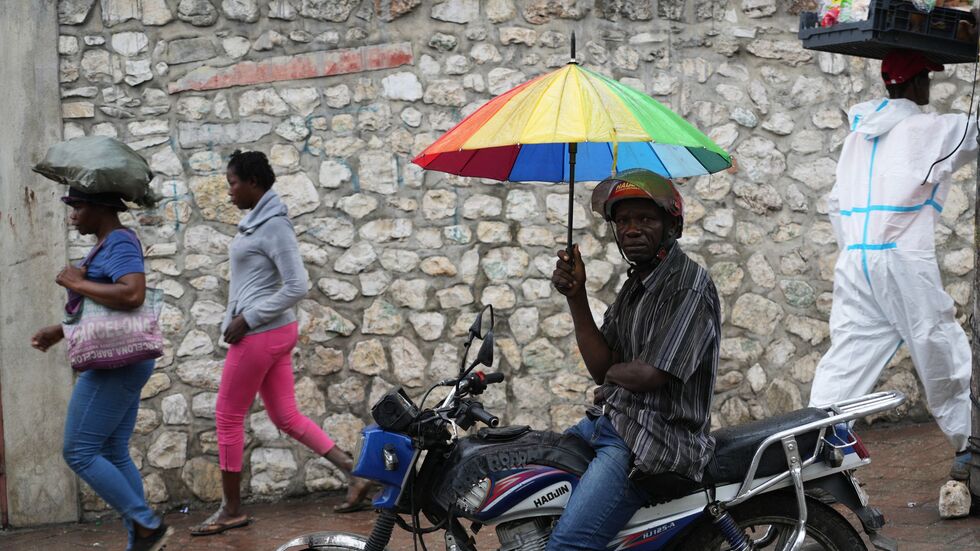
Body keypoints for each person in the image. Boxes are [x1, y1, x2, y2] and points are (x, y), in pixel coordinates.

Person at [809, 49, 977, 481]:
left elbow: (833, 202)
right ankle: (971, 448)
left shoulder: (856, 137)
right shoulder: (928, 129)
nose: (930, 87)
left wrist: (855, 248)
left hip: (857, 259)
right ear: (915, 82)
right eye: (927, 79)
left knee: (847, 358)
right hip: (903, 259)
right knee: (938, 348)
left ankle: (809, 451)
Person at [191, 150, 373, 536]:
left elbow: (297, 285)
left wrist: (247, 319)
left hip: (262, 334)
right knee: (286, 417)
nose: (229, 193)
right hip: (267, 332)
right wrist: (232, 319)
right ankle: (355, 474)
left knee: (226, 416)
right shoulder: (255, 223)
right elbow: (245, 283)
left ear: (254, 182)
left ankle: (231, 509)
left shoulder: (274, 226)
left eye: (233, 183)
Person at [548, 168, 721, 550]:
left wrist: (611, 374)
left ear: (670, 225)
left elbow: (648, 375)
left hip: (651, 441)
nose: (632, 229)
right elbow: (601, 366)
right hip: (612, 423)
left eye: (645, 219)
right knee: (529, 476)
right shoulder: (636, 286)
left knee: (567, 546)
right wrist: (576, 296)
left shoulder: (687, 286)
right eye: (623, 221)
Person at [31, 188, 171, 551]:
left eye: (77, 206)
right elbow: (105, 314)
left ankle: (146, 525)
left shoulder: (120, 243)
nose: (73, 215)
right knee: (112, 453)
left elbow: (131, 294)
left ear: (100, 207)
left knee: (78, 450)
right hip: (123, 359)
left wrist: (76, 282)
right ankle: (141, 540)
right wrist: (59, 331)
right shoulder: (105, 245)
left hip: (116, 364)